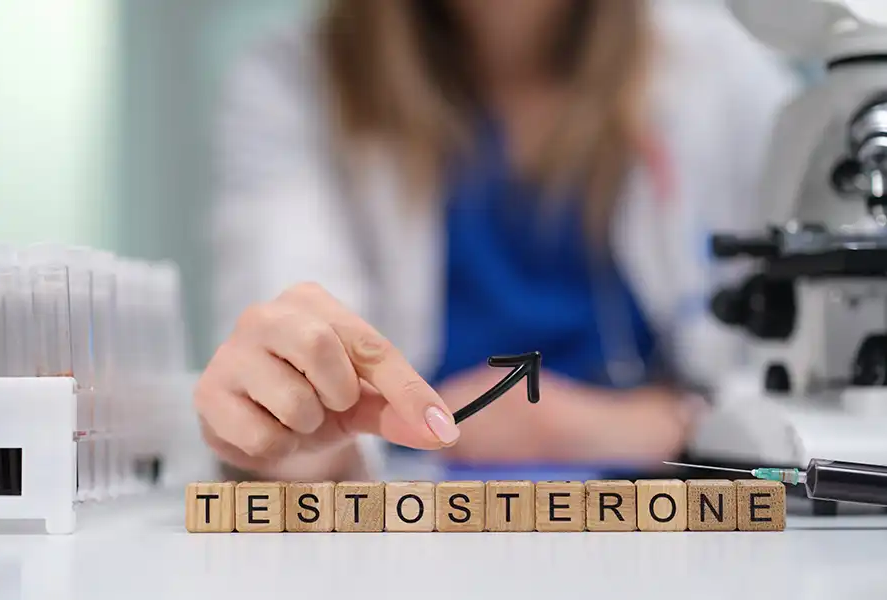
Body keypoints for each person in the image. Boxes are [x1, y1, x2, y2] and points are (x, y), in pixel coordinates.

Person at [195, 0, 797, 481]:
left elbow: (822, 393)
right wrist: (287, 424)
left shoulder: (722, 73)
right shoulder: (295, 83)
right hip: (411, 535)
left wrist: (658, 425)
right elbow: (297, 374)